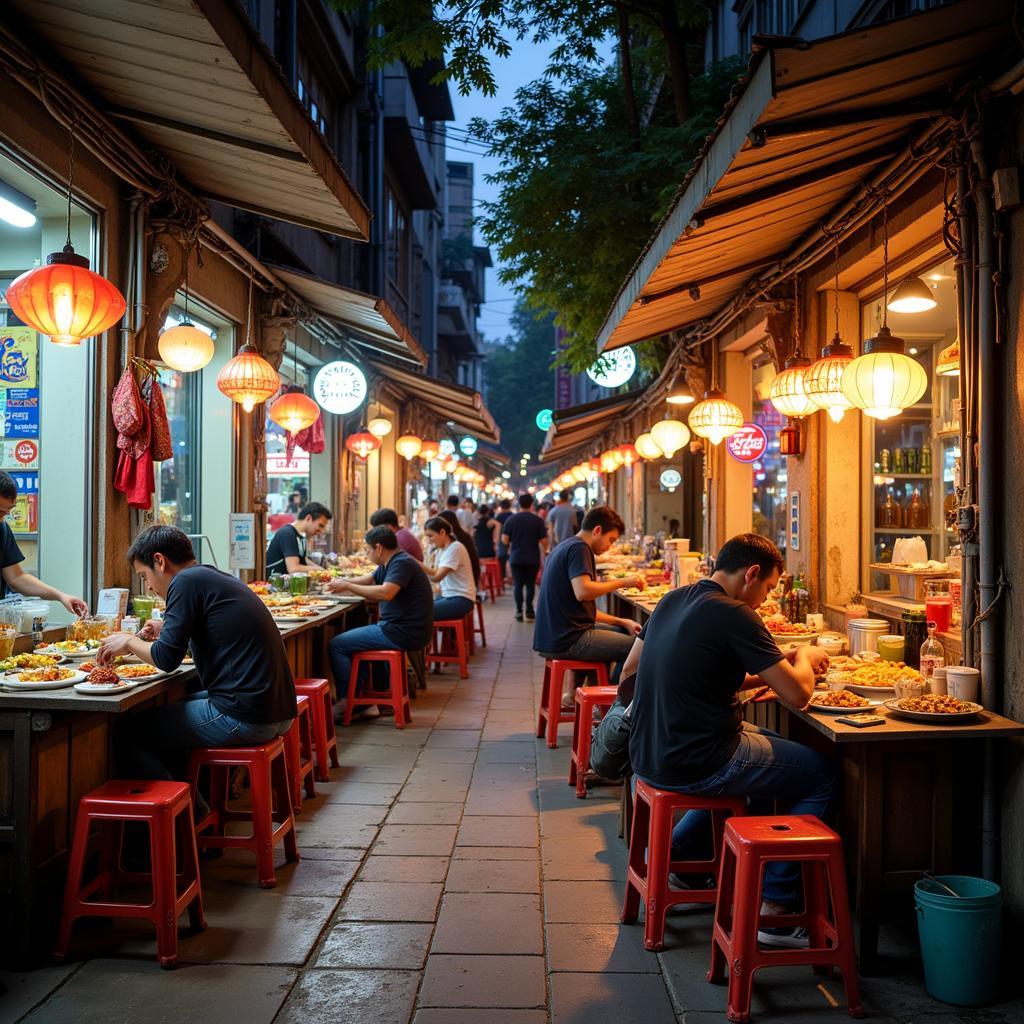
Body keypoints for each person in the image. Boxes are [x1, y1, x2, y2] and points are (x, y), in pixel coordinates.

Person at [628, 533, 834, 948]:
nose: (764, 599)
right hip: (699, 759)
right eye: (769, 588)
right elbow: (799, 694)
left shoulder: (673, 599)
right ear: (751, 574)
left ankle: (681, 859)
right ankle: (775, 909)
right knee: (820, 773)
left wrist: (764, 675)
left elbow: (631, 672)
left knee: (771, 749)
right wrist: (806, 657)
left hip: (648, 753)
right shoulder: (735, 613)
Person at [98, 525, 295, 783]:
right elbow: (214, 635)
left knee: (129, 732)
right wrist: (165, 628)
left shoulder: (184, 582)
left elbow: (166, 659)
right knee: (179, 708)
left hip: (248, 715)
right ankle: (193, 807)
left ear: (160, 561)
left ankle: (185, 818)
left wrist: (129, 641)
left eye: (144, 576)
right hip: (277, 710)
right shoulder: (208, 575)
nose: (148, 587)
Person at [533, 506, 644, 697]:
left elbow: (583, 610)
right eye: (611, 540)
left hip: (556, 634)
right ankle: (612, 703)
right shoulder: (579, 548)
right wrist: (624, 582)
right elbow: (583, 592)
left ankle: (582, 695)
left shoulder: (567, 544)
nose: (609, 546)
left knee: (620, 632)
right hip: (567, 639)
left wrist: (622, 621)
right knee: (637, 647)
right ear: (597, 531)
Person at [327, 526, 434, 712]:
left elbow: (386, 592)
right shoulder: (390, 562)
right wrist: (341, 584)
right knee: (354, 641)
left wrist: (347, 586)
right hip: (399, 629)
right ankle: (361, 699)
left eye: (367, 550)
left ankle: (348, 702)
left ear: (378, 548)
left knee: (338, 644)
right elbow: (369, 580)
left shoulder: (401, 563)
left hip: (404, 633)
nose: (367, 553)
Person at [0, 471, 88, 616]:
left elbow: (17, 578)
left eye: (6, 513)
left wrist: (61, 596)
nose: (2, 519)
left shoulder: (2, 530)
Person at [501, 493, 548, 622]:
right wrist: (544, 551)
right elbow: (544, 540)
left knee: (518, 584)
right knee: (531, 584)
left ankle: (518, 611)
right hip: (532, 557)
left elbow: (504, 540)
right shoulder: (537, 520)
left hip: (516, 558)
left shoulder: (511, 520)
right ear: (531, 504)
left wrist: (513, 541)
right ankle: (529, 610)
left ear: (519, 504)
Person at [422, 515, 477, 620]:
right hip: (448, 596)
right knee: (416, 606)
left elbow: (437, 577)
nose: (429, 541)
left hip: (461, 599)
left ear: (442, 532)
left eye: (431, 536)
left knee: (419, 612)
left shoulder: (455, 548)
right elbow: (434, 574)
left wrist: (418, 565)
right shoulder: (441, 550)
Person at [266, 501, 331, 575]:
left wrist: (323, 570)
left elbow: (303, 559)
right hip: (275, 584)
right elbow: (293, 569)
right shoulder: (287, 533)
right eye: (320, 525)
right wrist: (320, 570)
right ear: (308, 518)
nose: (321, 531)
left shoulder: (300, 536)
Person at [437, 509, 481, 586]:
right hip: (471, 580)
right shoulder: (464, 535)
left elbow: (437, 576)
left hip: (462, 586)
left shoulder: (454, 543)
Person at [495, 498, 513, 582]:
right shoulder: (512, 515)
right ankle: (511, 576)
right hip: (512, 539)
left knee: (502, 558)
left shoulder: (499, 516)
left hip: (502, 539)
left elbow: (498, 529)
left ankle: (503, 576)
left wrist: (496, 542)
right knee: (510, 558)